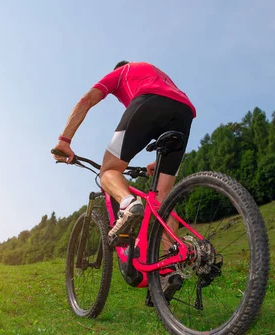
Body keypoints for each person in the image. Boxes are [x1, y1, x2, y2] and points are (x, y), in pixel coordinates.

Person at [52, 61, 196, 239]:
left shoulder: (123, 71)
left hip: (148, 100)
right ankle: (174, 260)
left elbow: (86, 100)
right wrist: (159, 161)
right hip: (184, 110)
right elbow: (165, 110)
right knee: (163, 198)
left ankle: (128, 204)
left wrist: (64, 141)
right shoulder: (156, 73)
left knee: (109, 171)